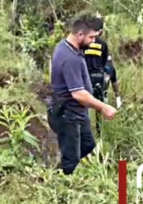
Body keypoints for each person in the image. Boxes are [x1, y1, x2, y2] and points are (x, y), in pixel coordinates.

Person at [48, 14, 118, 175]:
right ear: (80, 34)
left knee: (87, 146)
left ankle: (59, 168)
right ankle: (60, 184)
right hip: (67, 114)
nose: (94, 42)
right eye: (91, 37)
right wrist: (103, 107)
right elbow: (78, 94)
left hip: (78, 113)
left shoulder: (70, 48)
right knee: (71, 161)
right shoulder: (69, 58)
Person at [81, 16, 122, 136]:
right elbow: (105, 63)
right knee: (99, 105)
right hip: (99, 76)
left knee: (85, 104)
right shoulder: (103, 44)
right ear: (101, 31)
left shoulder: (84, 43)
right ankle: (99, 131)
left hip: (86, 77)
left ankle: (85, 130)